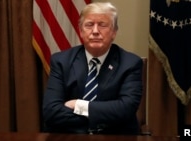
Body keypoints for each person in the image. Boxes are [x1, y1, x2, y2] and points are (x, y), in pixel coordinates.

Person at [42, 2, 143, 135]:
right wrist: (101, 117)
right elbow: (51, 111)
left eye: (102, 25)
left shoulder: (130, 63)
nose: (95, 31)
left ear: (114, 32)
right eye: (89, 25)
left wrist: (79, 105)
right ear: (81, 31)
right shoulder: (61, 61)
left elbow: (126, 109)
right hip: (71, 136)